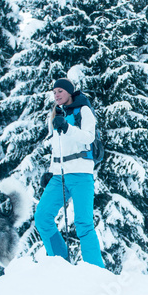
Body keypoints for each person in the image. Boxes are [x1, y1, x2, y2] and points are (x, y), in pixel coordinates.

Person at [33, 78, 105, 268]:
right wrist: (51, 171)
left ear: (70, 92)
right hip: (59, 176)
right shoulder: (56, 113)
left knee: (83, 224)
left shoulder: (84, 110)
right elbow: (56, 146)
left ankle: (95, 270)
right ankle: (60, 263)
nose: (56, 95)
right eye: (54, 92)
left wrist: (67, 127)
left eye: (60, 91)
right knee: (42, 216)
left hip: (81, 174)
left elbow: (88, 138)